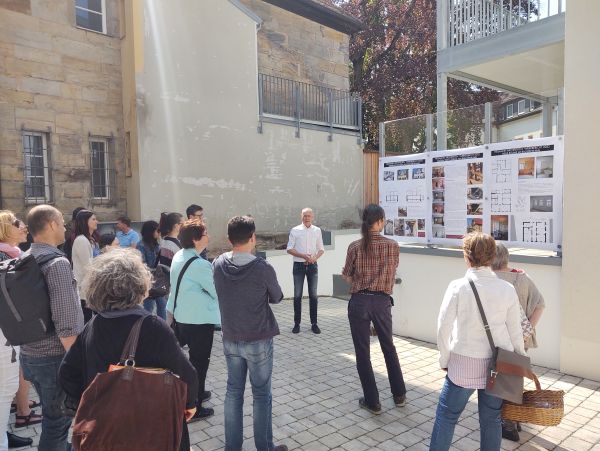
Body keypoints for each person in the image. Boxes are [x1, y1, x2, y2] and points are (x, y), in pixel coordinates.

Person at [58, 248, 198, 451]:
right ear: (140, 285)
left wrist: (95, 399)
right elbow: (187, 374)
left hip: (105, 430)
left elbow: (67, 373)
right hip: (151, 427)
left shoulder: (94, 325)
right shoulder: (153, 326)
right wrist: (190, 403)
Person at [430, 232, 525, 451]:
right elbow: (515, 332)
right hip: (499, 366)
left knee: (447, 416)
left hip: (463, 364)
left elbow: (443, 328)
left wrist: (444, 359)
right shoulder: (507, 290)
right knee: (491, 420)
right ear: (492, 257)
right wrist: (519, 363)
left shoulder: (457, 287)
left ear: (467, 257)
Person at [213, 216, 287, 451]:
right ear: (253, 238)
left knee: (233, 392)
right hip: (258, 339)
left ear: (228, 239)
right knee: (261, 395)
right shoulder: (262, 268)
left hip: (231, 338)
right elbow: (276, 297)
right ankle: (264, 447)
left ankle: (232, 448)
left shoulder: (218, 263)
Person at [21, 205, 84, 451]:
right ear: (50, 224)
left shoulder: (24, 258)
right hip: (54, 357)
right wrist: (77, 361)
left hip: (30, 354)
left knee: (53, 416)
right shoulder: (57, 263)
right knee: (57, 422)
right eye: (62, 221)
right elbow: (66, 322)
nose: (66, 227)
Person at [341, 204, 407, 414]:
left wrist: (360, 281)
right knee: (389, 347)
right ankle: (399, 395)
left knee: (362, 353)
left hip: (359, 301)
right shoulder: (393, 246)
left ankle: (373, 401)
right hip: (382, 302)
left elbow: (346, 275)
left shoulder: (354, 246)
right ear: (379, 222)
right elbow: (392, 270)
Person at [166, 219, 220, 421]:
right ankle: (194, 406)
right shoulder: (200, 264)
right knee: (199, 363)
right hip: (198, 321)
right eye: (205, 233)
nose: (209, 236)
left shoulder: (181, 255)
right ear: (197, 239)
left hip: (182, 317)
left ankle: (199, 391)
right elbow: (217, 292)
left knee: (194, 361)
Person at [492, 242, 545, 442]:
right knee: (515, 378)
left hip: (497, 340)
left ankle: (507, 423)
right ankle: (515, 419)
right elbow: (540, 305)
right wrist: (527, 331)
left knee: (497, 380)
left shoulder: (490, 279)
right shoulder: (522, 277)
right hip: (519, 340)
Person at [0, 212, 36, 449]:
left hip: (9, 332)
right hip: (4, 334)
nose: (23, 226)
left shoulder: (13, 254)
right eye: (16, 223)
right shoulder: (5, 256)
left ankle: (4, 433)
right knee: (6, 388)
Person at [286, 208, 325, 334]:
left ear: (312, 216)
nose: (306, 218)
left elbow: (321, 249)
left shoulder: (317, 230)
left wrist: (314, 258)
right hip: (298, 265)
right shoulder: (295, 230)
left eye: (308, 216)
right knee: (297, 295)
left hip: (313, 265)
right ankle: (297, 323)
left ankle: (314, 323)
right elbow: (289, 249)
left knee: (313, 295)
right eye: (304, 216)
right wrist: (303, 256)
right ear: (301, 216)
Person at [71, 210, 99, 323]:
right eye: (93, 219)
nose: (97, 221)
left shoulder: (88, 240)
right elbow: (88, 266)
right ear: (85, 222)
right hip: (83, 289)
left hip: (88, 287)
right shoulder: (82, 240)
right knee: (86, 322)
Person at [137, 220, 166, 319]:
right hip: (147, 280)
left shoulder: (157, 245)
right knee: (148, 307)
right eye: (157, 231)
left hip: (158, 280)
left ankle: (163, 327)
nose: (159, 233)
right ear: (150, 232)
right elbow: (142, 264)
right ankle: (144, 326)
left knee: (162, 305)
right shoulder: (141, 245)